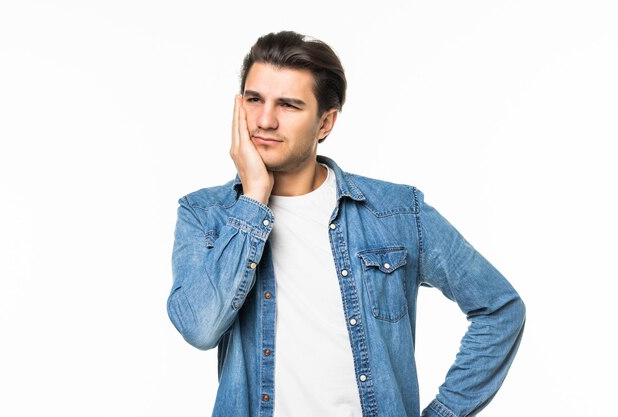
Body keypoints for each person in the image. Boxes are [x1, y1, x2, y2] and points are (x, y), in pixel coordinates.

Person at [167, 30, 525, 417]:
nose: (265, 120)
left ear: (325, 123)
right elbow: (200, 328)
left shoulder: (397, 212)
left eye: (288, 105)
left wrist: (444, 412)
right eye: (254, 100)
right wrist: (253, 198)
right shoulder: (205, 214)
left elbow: (499, 308)